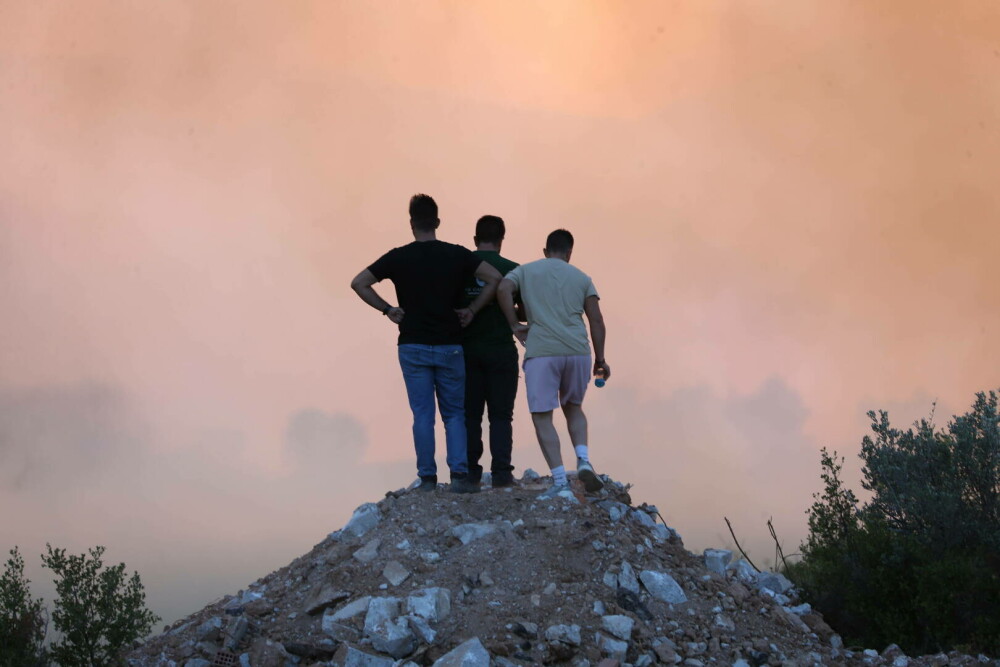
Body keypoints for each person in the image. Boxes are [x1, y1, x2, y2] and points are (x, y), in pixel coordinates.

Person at [350, 194, 502, 494]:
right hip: (450, 344)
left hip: (412, 344)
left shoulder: (397, 256)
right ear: (437, 222)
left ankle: (428, 478)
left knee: (422, 414)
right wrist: (472, 310)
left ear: (411, 224)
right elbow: (494, 277)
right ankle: (459, 476)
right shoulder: (456, 254)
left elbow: (358, 283)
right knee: (454, 414)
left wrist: (388, 310)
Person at [497, 229, 610, 498]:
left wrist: (514, 325)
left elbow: (502, 288)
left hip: (543, 352)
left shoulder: (526, 271)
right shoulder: (582, 278)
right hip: (577, 351)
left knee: (542, 415)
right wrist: (601, 359)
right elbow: (596, 320)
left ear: (545, 251)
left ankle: (560, 482)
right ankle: (583, 460)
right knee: (574, 407)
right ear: (569, 252)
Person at [460, 215, 520, 488]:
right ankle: (502, 474)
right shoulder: (514, 270)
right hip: (501, 350)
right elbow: (525, 312)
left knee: (470, 415)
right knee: (500, 416)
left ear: (475, 240)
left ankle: (471, 473)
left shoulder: (460, 266)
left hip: (466, 351)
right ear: (501, 240)